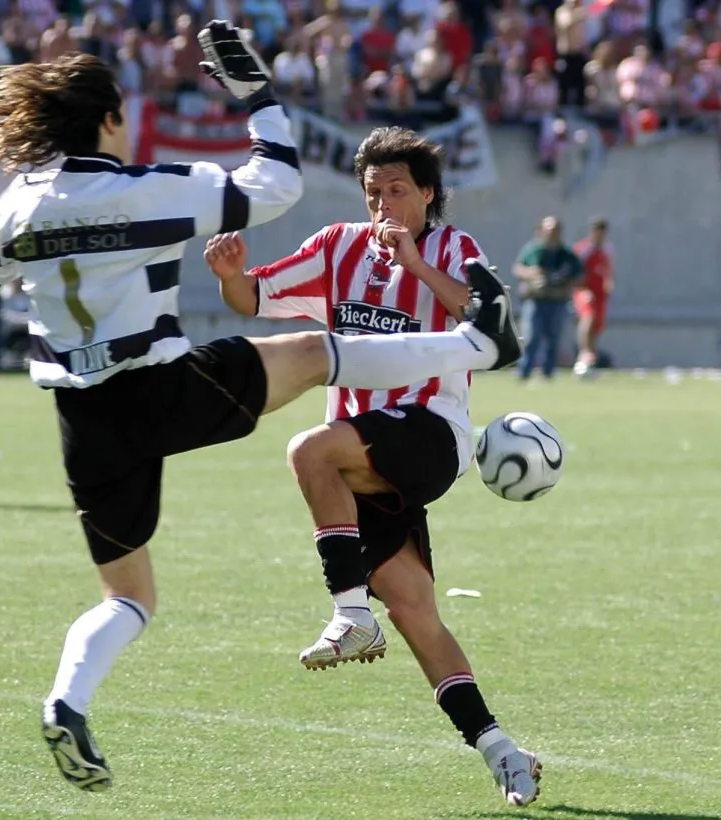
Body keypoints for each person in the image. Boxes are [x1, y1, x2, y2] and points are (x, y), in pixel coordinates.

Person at [0, 25, 521, 793]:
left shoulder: (13, 211)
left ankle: (67, 697)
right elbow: (274, 186)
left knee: (129, 597)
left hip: (83, 421)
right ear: (112, 119)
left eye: (396, 188)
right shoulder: (147, 189)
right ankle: (476, 352)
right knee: (321, 358)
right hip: (163, 388)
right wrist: (258, 98)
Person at [204, 125, 541, 809]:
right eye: (372, 192)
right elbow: (252, 301)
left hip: (430, 435)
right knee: (419, 614)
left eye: (396, 191)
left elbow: (486, 324)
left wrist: (414, 263)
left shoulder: (454, 248)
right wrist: (231, 276)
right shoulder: (336, 248)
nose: (383, 204)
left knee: (308, 449)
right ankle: (504, 751)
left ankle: (350, 613)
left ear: (428, 194)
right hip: (367, 460)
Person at [512, 215, 583, 380]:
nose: (552, 234)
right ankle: (525, 371)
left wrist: (565, 282)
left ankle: (548, 372)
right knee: (531, 336)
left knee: (553, 338)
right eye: (549, 231)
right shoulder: (533, 250)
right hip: (535, 299)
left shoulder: (566, 254)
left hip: (557, 300)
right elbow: (518, 268)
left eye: (555, 231)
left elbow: (579, 275)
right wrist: (533, 274)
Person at [571, 217, 613, 377]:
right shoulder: (583, 249)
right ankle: (584, 354)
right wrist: (581, 288)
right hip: (585, 292)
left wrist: (609, 282)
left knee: (596, 327)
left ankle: (590, 362)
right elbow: (576, 271)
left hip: (600, 294)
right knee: (588, 319)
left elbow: (607, 269)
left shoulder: (605, 250)